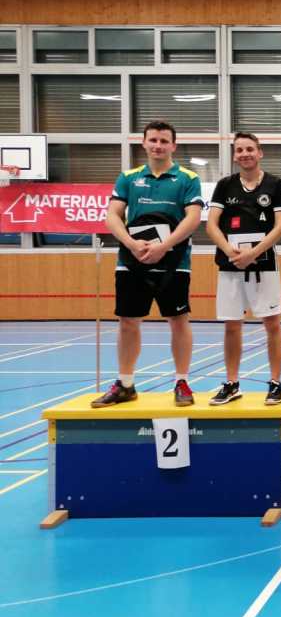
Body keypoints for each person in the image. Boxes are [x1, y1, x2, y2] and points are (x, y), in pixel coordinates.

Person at [92, 120, 203, 408]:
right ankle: (125, 384)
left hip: (174, 262)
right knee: (128, 321)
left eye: (164, 141)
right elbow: (113, 216)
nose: (158, 145)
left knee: (178, 320)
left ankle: (182, 382)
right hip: (133, 261)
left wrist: (164, 246)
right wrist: (131, 243)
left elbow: (193, 218)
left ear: (173, 145)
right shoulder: (128, 177)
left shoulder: (188, 178)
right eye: (153, 140)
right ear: (143, 143)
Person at [206, 132, 281, 406]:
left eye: (249, 149)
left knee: (272, 324)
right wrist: (231, 252)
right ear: (234, 155)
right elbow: (211, 225)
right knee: (232, 325)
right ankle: (232, 384)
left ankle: (275, 383)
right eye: (239, 150)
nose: (245, 154)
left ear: (259, 152)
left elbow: (280, 226)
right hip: (230, 265)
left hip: (264, 265)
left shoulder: (275, 185)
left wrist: (254, 252)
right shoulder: (224, 185)